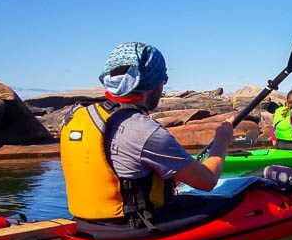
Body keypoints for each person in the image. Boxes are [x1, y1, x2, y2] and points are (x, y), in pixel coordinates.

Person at [60, 42, 233, 227]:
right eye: (163, 80)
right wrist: (221, 142)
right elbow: (207, 182)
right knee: (239, 202)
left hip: (83, 224)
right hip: (132, 227)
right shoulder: (145, 131)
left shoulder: (74, 116)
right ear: (152, 84)